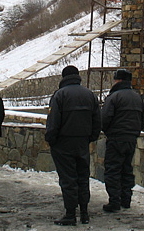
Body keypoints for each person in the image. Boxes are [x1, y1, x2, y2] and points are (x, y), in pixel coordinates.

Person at [45, 65, 101, 226]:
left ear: (63, 78)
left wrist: (51, 139)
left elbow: (53, 121)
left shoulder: (59, 95)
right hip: (82, 142)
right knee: (83, 177)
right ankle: (84, 213)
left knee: (68, 178)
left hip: (63, 143)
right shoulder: (90, 94)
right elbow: (97, 120)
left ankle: (70, 214)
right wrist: (90, 137)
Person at [101, 69, 144, 212]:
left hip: (116, 138)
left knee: (113, 170)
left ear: (119, 80)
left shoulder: (114, 97)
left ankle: (114, 201)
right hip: (131, 139)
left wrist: (109, 131)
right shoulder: (137, 97)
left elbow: (105, 119)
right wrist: (134, 131)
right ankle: (126, 199)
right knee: (126, 169)